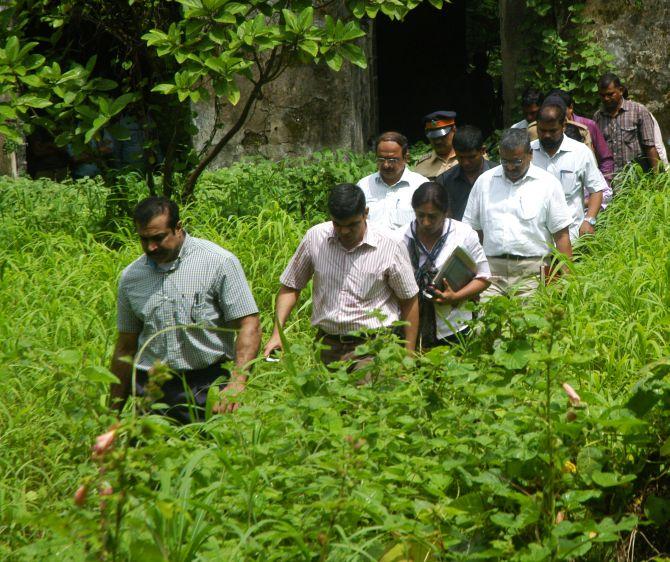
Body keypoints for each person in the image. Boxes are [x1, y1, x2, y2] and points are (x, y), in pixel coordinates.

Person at [110, 197, 261, 422]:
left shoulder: (218, 262)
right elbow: (125, 347)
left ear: (178, 228)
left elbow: (249, 323)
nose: (151, 247)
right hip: (151, 391)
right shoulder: (132, 277)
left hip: (207, 387)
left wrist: (237, 384)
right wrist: (112, 416)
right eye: (144, 239)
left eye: (159, 238)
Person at [263, 183, 419, 369]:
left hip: (373, 346)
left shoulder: (389, 245)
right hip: (326, 345)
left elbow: (409, 300)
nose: (344, 231)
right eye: (338, 224)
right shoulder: (316, 238)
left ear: (365, 213)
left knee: (363, 397)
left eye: (352, 224)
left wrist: (407, 357)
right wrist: (277, 333)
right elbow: (291, 286)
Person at [463, 128, 573, 298]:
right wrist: (469, 274)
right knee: (487, 323)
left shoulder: (548, 184)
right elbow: (472, 232)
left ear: (530, 155)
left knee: (529, 322)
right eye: (504, 161)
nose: (510, 167)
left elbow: (561, 235)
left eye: (517, 161)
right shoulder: (484, 182)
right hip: (491, 273)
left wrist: (567, 280)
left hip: (532, 272)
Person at [403, 182, 490, 349]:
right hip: (409, 329)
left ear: (445, 212)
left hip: (454, 326)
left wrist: (455, 297)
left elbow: (484, 277)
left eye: (432, 216)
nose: (426, 222)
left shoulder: (463, 234)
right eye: (420, 215)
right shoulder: (401, 238)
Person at [531, 100, 606, 240]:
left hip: (572, 237)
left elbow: (596, 190)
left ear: (564, 126)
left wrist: (589, 221)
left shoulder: (580, 152)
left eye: (552, 130)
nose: (546, 135)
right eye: (542, 130)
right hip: (535, 239)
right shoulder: (528, 153)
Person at [357, 132, 428, 231]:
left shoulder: (420, 186)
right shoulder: (364, 186)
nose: (386, 165)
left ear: (406, 158)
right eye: (381, 159)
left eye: (392, 160)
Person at [593, 72, 660, 174]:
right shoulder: (598, 117)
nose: (606, 99)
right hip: (610, 180)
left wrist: (659, 179)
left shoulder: (638, 111)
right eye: (602, 95)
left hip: (637, 180)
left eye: (610, 94)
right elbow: (597, 152)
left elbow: (649, 147)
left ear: (620, 90)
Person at [436, 125, 497, 221]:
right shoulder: (444, 181)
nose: (466, 162)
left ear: (483, 150)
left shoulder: (499, 174)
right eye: (460, 157)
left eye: (471, 157)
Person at [414, 111, 459, 179]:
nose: (438, 141)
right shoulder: (422, 165)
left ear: (454, 130)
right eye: (433, 137)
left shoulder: (468, 158)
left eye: (442, 136)